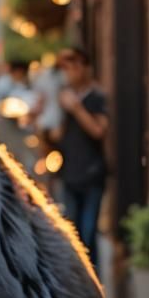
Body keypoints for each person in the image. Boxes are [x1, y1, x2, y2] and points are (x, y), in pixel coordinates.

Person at [53, 45, 109, 264]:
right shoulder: (64, 100)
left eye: (73, 65)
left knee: (88, 232)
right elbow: (57, 136)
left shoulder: (96, 97)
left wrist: (76, 108)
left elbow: (99, 130)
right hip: (70, 175)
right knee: (72, 235)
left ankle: (94, 284)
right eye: (65, 68)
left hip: (92, 174)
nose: (68, 72)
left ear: (85, 66)